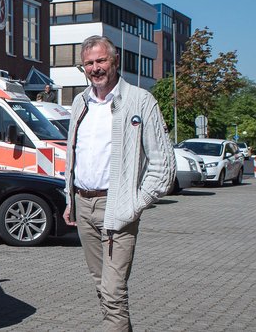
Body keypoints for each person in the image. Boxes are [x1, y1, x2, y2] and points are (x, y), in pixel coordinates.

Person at [62, 35, 174, 331]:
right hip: (83, 206)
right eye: (89, 63)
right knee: (102, 285)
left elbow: (163, 167)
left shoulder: (140, 100)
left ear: (115, 61)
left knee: (113, 291)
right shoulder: (79, 102)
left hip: (118, 208)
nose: (95, 68)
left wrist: (133, 205)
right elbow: (73, 155)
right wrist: (69, 199)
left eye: (101, 61)